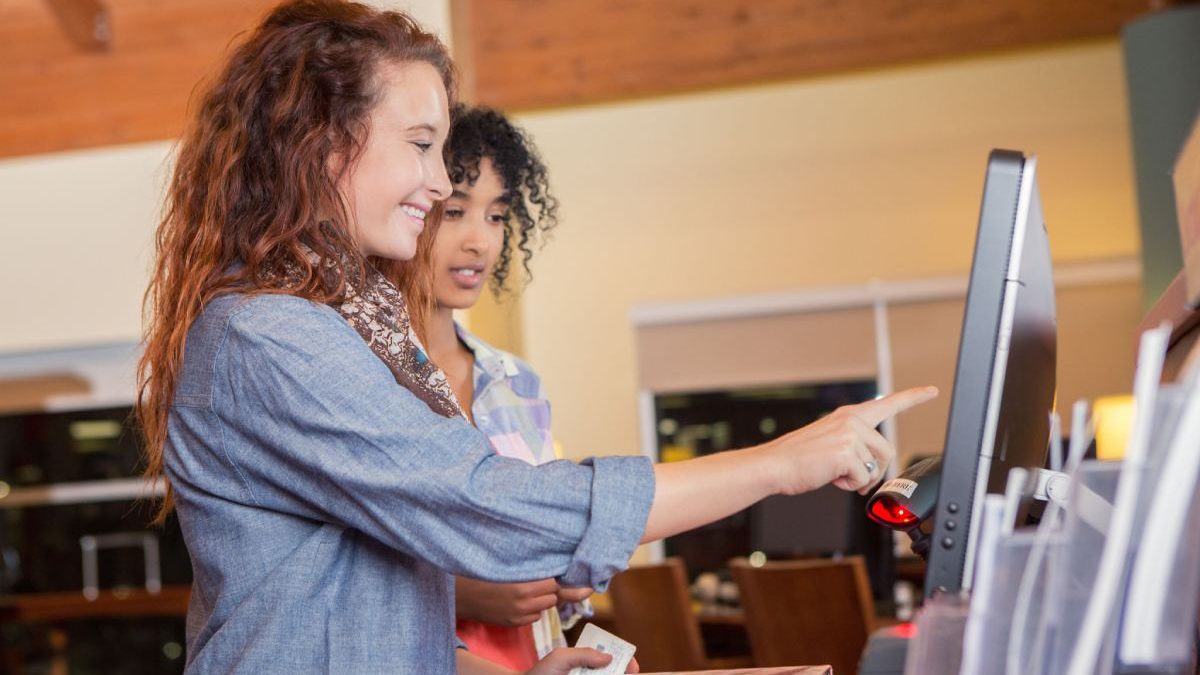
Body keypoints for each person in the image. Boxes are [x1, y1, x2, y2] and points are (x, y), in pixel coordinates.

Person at [137, 1, 937, 673]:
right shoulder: (265, 335)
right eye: (420, 144)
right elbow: (484, 505)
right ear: (320, 142)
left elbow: (353, 611)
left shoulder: (353, 324)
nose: (442, 182)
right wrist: (780, 463)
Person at [404, 104, 584, 671]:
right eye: (455, 211)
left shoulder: (519, 384)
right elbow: (342, 565)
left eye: (498, 216)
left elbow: (537, 531)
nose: (481, 242)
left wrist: (567, 576)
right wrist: (466, 593)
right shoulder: (363, 377)